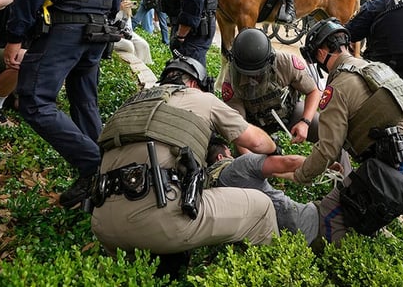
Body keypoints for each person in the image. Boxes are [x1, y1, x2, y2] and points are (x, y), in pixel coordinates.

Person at [91, 56, 280, 278]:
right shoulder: (201, 98)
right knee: (262, 207)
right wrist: (274, 147)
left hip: (104, 226)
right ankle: (269, 274)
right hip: (158, 219)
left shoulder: (131, 104)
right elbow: (257, 142)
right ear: (193, 83)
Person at [5, 0, 126, 208]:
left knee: (32, 100)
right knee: (85, 103)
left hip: (64, 31)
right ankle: (97, 184)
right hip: (98, 34)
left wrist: (16, 35)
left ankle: (97, 167)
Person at [293, 18, 403, 243]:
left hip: (397, 169)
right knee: (365, 206)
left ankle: (341, 262)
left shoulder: (337, 88)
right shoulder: (373, 67)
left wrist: (300, 175)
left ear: (321, 53)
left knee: (330, 213)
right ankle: (380, 235)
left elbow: (328, 149)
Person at [205, 137, 319, 244]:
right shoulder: (240, 166)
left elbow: (249, 159)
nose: (233, 155)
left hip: (284, 242)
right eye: (229, 152)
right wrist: (324, 163)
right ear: (220, 157)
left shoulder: (215, 189)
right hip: (310, 221)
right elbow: (290, 162)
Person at [222, 28, 321, 143]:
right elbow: (238, 127)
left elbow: (313, 91)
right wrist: (253, 157)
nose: (253, 79)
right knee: (245, 156)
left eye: (258, 73)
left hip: (289, 111)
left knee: (325, 131)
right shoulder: (231, 81)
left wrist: (305, 122)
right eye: (246, 74)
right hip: (254, 124)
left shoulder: (286, 62)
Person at [112, 0, 152, 66]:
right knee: (129, 46)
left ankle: (144, 64)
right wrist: (118, 9)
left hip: (124, 32)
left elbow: (129, 26)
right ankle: (132, 65)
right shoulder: (110, 3)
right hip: (112, 33)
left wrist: (126, 33)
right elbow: (110, 22)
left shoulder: (127, 5)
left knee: (143, 44)